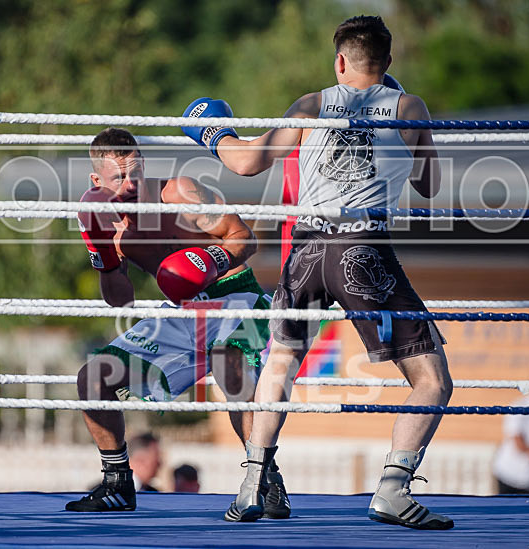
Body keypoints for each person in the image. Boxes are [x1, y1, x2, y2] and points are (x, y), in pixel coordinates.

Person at [182, 15, 453, 529]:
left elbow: (246, 163)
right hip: (362, 249)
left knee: (280, 363)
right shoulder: (407, 106)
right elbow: (429, 186)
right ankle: (393, 490)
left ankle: (252, 482)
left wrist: (213, 132)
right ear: (388, 63)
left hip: (305, 250)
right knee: (432, 380)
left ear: (340, 61)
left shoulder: (311, 104)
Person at [65, 128, 290, 518]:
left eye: (136, 172)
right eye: (120, 178)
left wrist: (209, 261)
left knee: (227, 361)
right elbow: (122, 299)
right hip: (184, 313)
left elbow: (244, 237)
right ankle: (118, 482)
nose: (131, 183)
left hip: (235, 295)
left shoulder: (180, 192)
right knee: (93, 377)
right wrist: (101, 254)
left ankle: (265, 479)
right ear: (96, 181)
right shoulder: (108, 227)